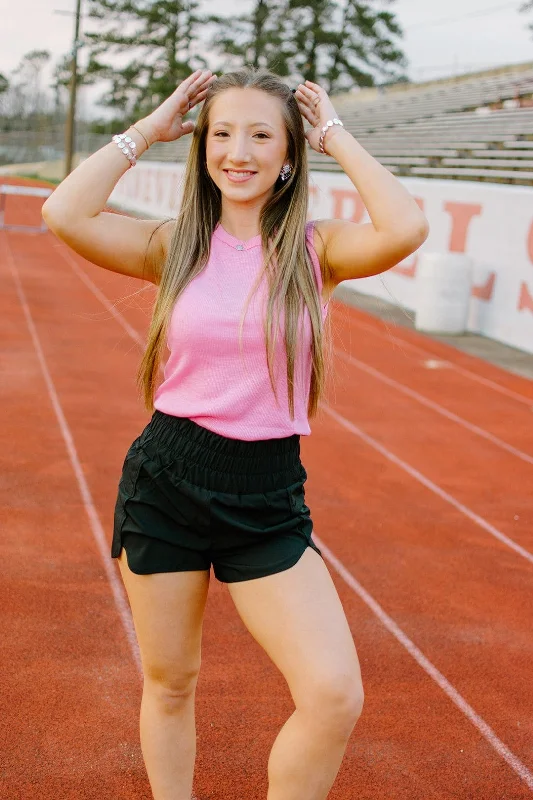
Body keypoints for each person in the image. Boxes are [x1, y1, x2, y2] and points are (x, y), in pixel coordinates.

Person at [42, 67, 428, 800]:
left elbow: (405, 227)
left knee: (333, 694)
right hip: (167, 481)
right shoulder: (175, 245)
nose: (237, 151)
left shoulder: (317, 251)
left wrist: (335, 133)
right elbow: (64, 212)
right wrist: (150, 129)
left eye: (259, 134)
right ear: (203, 147)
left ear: (288, 156)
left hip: (266, 497)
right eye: (222, 133)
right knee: (171, 681)